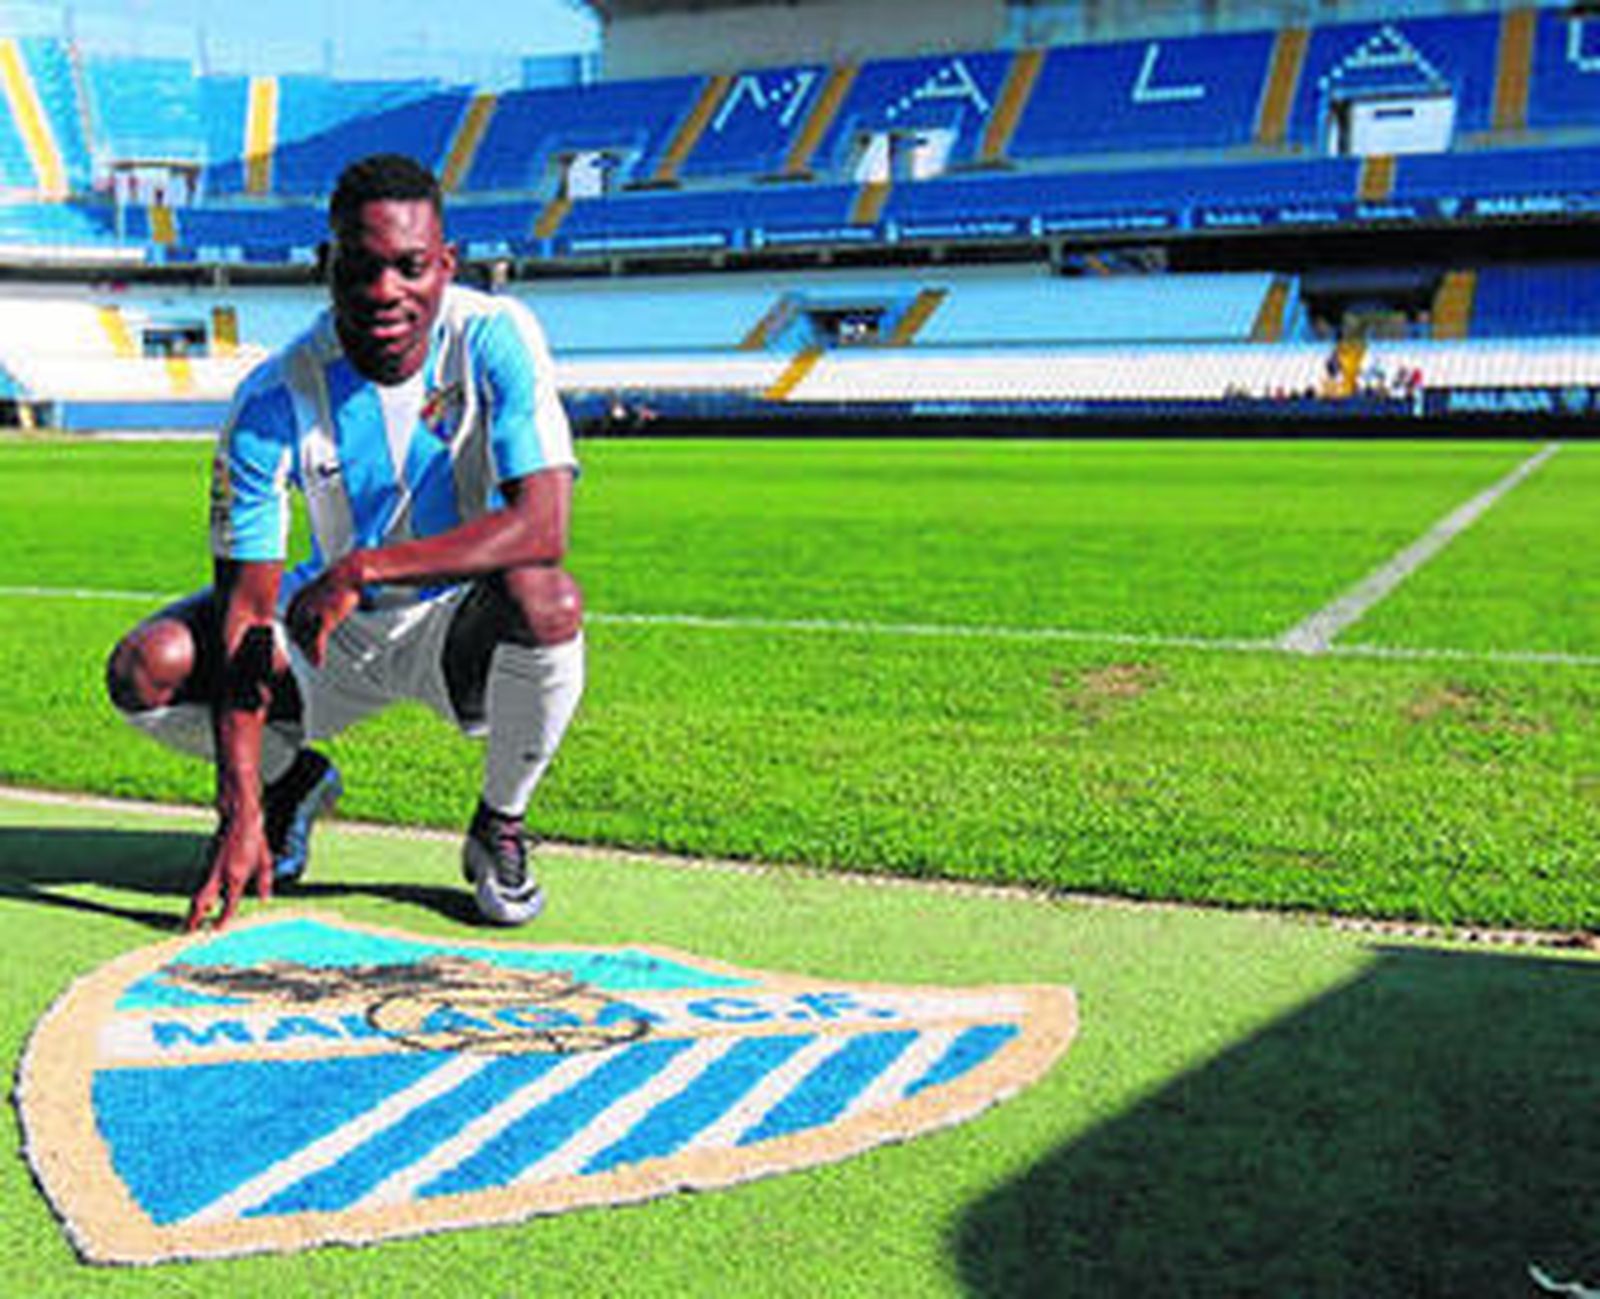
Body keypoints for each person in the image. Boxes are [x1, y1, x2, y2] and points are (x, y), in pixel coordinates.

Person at [105, 153, 584, 932]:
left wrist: (365, 567)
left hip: (451, 621)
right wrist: (238, 805)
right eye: (363, 267)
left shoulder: (496, 333)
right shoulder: (272, 397)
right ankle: (291, 783)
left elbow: (544, 526)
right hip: (327, 631)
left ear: (446, 265)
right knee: (145, 668)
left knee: (548, 598)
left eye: (411, 267)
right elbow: (245, 616)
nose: (387, 290)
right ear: (329, 268)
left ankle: (500, 822)